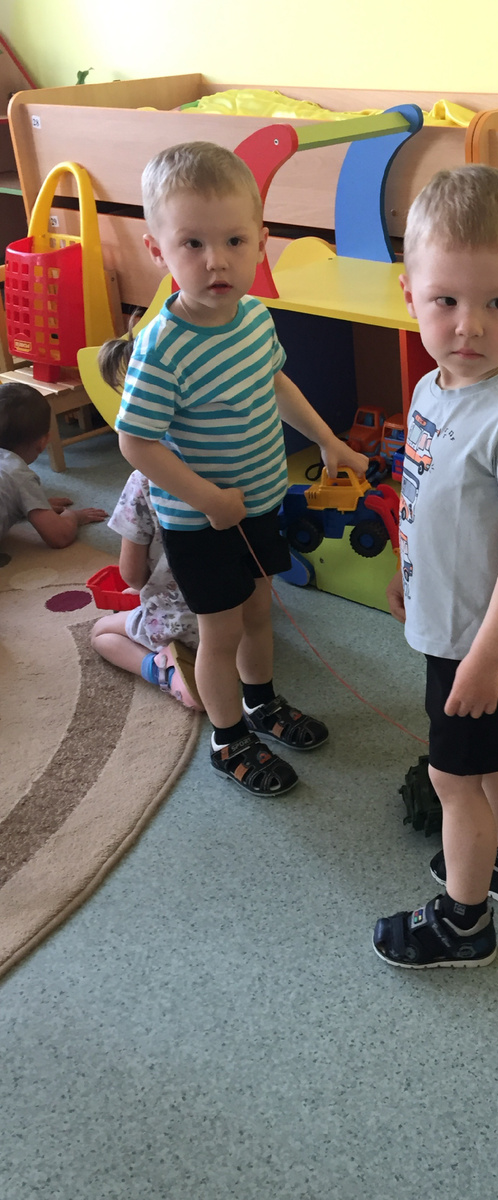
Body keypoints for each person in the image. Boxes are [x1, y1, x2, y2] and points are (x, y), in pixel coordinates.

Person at [100, 141, 369, 797]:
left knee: (257, 610)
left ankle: (262, 703)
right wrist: (205, 498)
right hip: (201, 521)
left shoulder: (253, 317)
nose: (216, 260)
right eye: (192, 243)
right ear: (157, 250)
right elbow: (136, 443)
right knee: (218, 632)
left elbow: (275, 382)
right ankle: (228, 741)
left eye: (233, 241)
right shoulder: (162, 348)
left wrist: (328, 440)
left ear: (261, 243)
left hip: (259, 503)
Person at [373, 165, 498, 969]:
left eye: (497, 303)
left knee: (455, 781)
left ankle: (465, 922)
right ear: (410, 295)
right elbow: (423, 497)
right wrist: (405, 568)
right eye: (445, 300)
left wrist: (485, 659)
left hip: (484, 644)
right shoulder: (430, 390)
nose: (469, 326)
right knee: (492, 765)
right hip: (447, 622)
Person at [91, 469, 203, 710]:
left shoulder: (144, 479)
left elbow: (131, 575)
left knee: (101, 633)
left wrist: (149, 588)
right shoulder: (243, 464)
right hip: (239, 620)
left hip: (181, 622)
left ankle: (163, 670)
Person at [0, 381, 107, 547]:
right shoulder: (18, 475)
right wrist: (74, 516)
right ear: (43, 442)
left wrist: (32, 504)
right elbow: (60, 536)